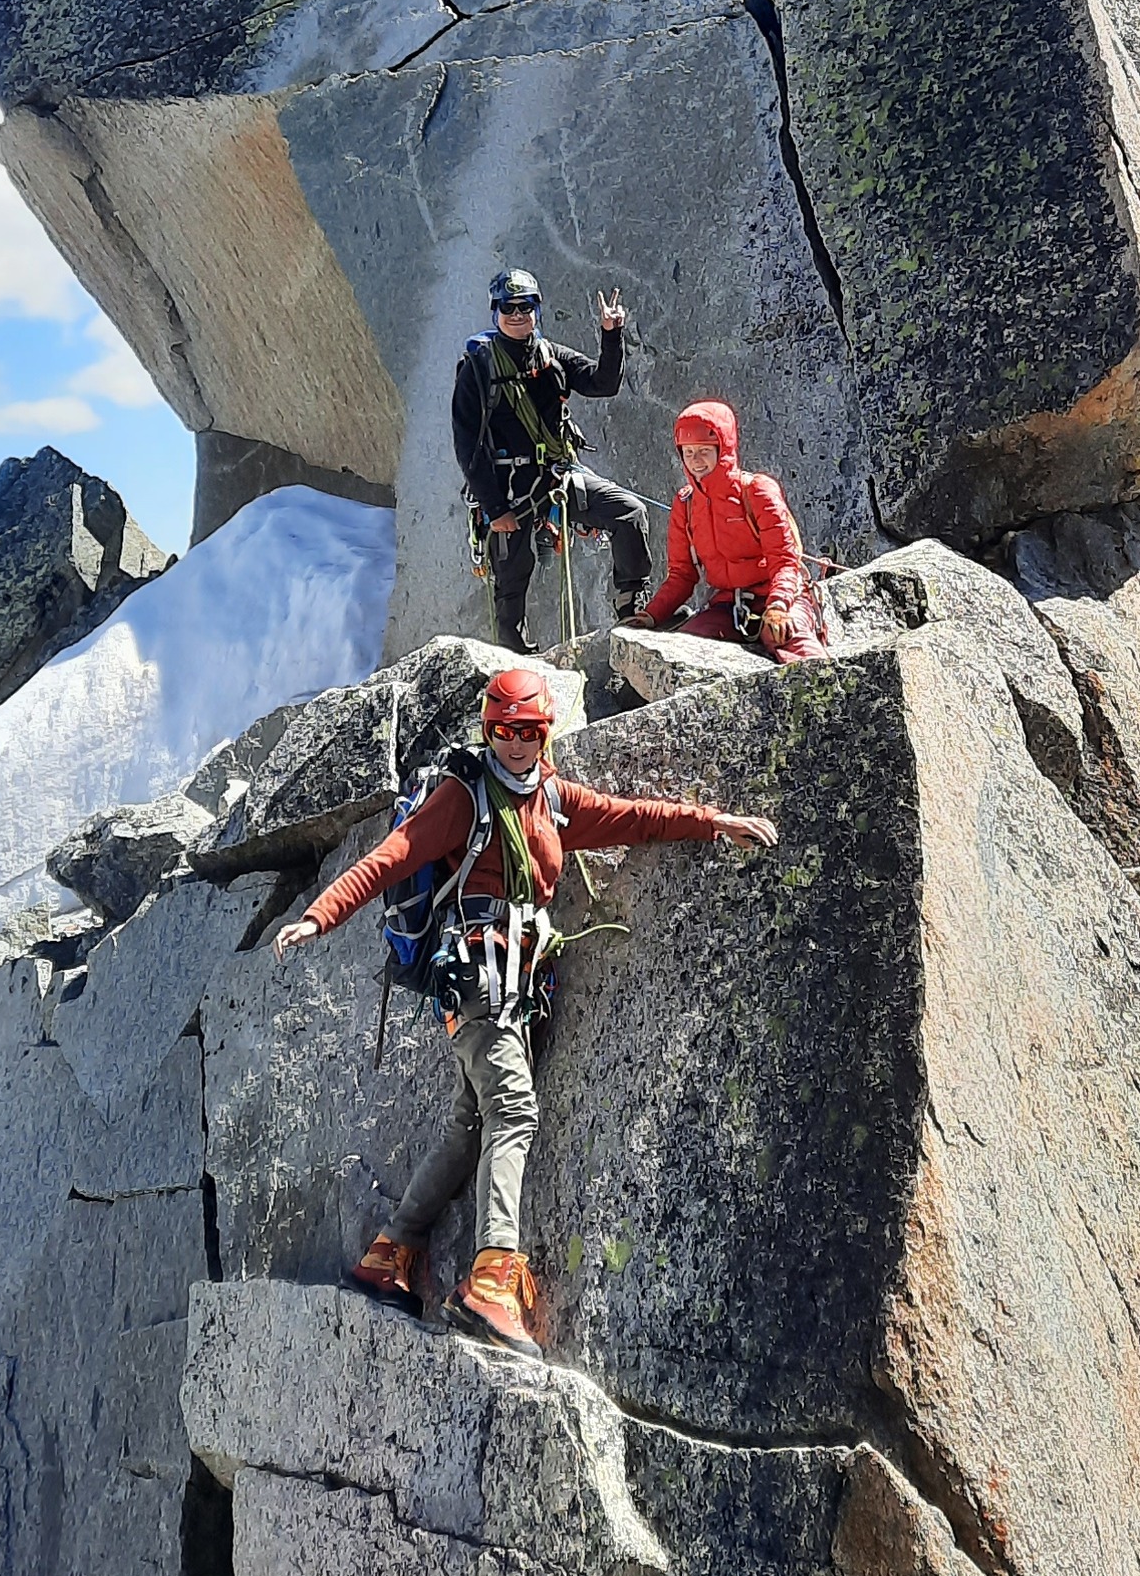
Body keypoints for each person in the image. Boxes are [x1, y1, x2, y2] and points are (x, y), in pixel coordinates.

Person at [275, 660, 776, 1352]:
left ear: (546, 733)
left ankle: (390, 1254)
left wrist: (712, 821)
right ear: (488, 727)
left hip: (518, 983)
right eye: (505, 729)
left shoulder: (550, 797)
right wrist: (320, 915)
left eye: (531, 730)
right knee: (513, 1108)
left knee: (468, 1125)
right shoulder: (464, 794)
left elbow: (630, 816)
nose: (516, 742)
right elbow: (395, 854)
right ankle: (490, 1283)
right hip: (479, 978)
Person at [452, 267, 651, 653]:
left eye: (525, 307)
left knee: (628, 513)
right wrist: (494, 508)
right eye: (508, 307)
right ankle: (516, 657)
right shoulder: (477, 367)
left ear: (536, 310)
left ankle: (631, 605)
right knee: (512, 576)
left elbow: (602, 383)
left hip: (556, 477)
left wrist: (612, 335)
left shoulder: (550, 355)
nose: (517, 315)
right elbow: (467, 444)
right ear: (495, 310)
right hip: (508, 490)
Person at [634, 401, 826, 663]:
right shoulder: (686, 503)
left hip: (779, 597)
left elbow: (783, 560)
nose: (695, 461)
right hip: (728, 604)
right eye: (688, 452)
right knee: (686, 647)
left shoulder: (757, 491)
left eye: (704, 450)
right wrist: (651, 616)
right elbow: (681, 575)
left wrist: (779, 606)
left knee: (793, 641)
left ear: (723, 449)